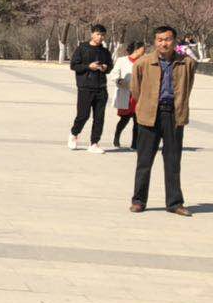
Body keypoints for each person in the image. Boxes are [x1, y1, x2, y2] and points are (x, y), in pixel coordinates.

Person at [129, 25, 197, 215]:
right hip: (149, 114)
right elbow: (135, 89)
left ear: (174, 41)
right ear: (155, 41)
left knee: (173, 160)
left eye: (167, 39)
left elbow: (188, 87)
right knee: (144, 160)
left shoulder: (187, 63)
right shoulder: (143, 63)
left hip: (174, 114)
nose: (163, 43)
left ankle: (174, 203)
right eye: (160, 40)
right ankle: (139, 200)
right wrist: (147, 104)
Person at [67, 24, 113, 153]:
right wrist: (88, 66)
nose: (100, 37)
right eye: (98, 34)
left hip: (101, 87)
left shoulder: (105, 51)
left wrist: (105, 68)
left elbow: (110, 66)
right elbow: (74, 65)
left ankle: (94, 143)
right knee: (83, 115)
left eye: (103, 35)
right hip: (85, 87)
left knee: (99, 117)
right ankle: (74, 134)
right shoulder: (82, 48)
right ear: (92, 34)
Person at [111, 40, 144, 149]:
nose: (144, 51)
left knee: (137, 121)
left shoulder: (144, 61)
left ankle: (135, 144)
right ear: (136, 49)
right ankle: (116, 137)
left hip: (139, 95)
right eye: (142, 49)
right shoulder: (122, 60)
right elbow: (114, 74)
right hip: (126, 94)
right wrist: (119, 80)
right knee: (124, 119)